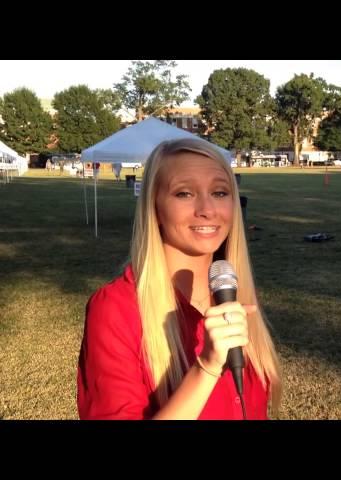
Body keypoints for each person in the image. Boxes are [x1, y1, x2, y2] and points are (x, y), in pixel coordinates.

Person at [77, 138, 282, 419]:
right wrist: (206, 368)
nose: (207, 209)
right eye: (184, 193)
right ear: (155, 207)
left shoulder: (232, 292)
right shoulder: (116, 309)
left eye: (220, 192)